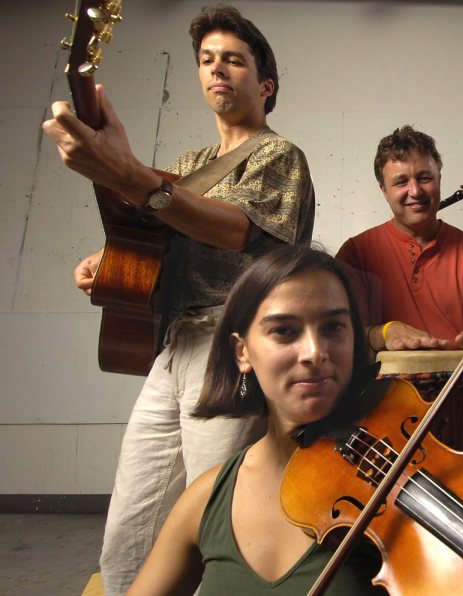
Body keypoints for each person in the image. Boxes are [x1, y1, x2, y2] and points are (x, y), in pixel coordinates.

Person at [42, 6, 315, 593]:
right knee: (130, 524)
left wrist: (137, 178)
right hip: (172, 349)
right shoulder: (189, 166)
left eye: (234, 60)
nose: (218, 69)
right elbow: (159, 231)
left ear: (264, 85)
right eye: (207, 59)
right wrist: (110, 261)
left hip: (231, 347)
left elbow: (239, 229)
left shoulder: (278, 156)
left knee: (216, 517)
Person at [127, 245, 384, 595]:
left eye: (334, 326)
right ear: (242, 352)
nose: (314, 352)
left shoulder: (390, 490)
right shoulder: (206, 498)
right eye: (284, 331)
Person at [337, 125, 463, 352]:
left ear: (439, 179)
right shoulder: (356, 252)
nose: (416, 191)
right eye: (401, 182)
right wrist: (384, 332)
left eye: (424, 178)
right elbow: (338, 333)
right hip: (382, 388)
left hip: (461, 386)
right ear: (383, 190)